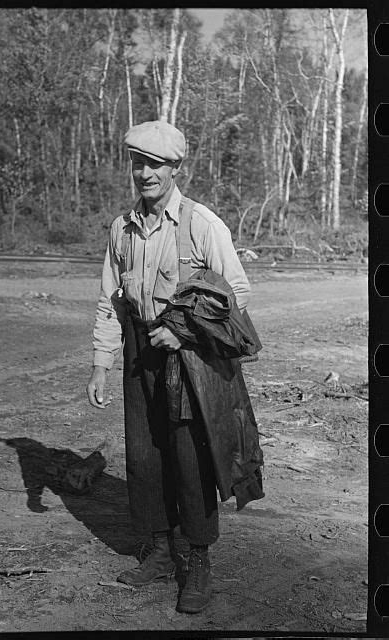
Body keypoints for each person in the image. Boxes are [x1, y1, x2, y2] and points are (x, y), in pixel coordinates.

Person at [87, 120, 263, 614]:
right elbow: (109, 300)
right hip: (140, 353)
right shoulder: (122, 228)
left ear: (174, 168)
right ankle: (162, 551)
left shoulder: (201, 223)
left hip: (189, 359)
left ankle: (198, 559)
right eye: (137, 163)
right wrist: (101, 363)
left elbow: (237, 292)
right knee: (146, 457)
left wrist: (183, 329)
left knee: (189, 460)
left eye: (155, 164)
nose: (144, 173)